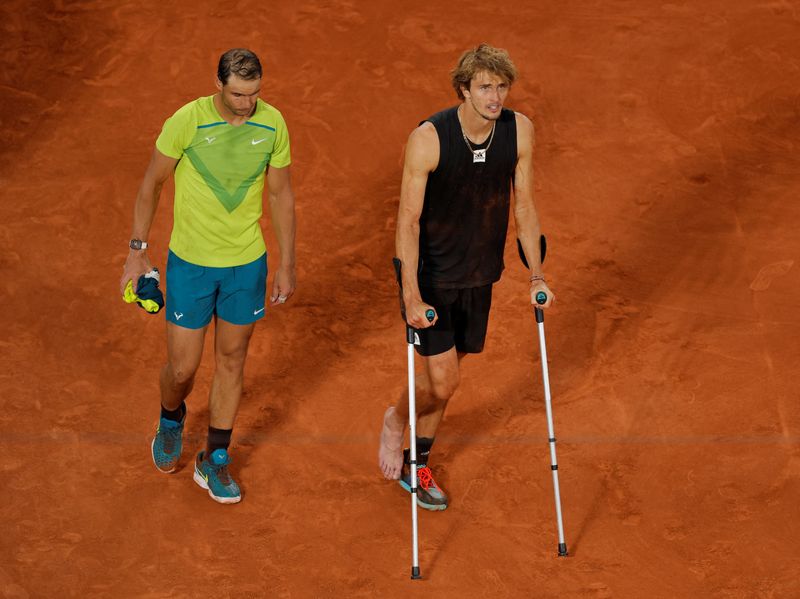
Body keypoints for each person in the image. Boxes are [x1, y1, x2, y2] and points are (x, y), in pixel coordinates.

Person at [378, 43, 554, 510]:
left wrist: (536, 274)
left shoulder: (519, 132)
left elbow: (525, 206)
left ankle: (419, 462)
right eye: (484, 88)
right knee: (445, 381)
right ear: (464, 90)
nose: (495, 97)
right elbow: (407, 222)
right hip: (432, 275)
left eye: (501, 87)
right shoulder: (430, 138)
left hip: (480, 274)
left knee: (447, 380)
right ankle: (396, 420)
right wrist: (410, 294)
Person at [120, 48, 296, 504]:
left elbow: (280, 195)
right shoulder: (188, 121)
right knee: (182, 368)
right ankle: (171, 419)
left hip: (245, 263)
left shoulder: (272, 123)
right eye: (238, 94)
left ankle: (214, 459)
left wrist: (287, 262)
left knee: (233, 360)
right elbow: (151, 183)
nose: (247, 104)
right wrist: (137, 253)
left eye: (254, 94)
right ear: (218, 85)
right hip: (192, 265)